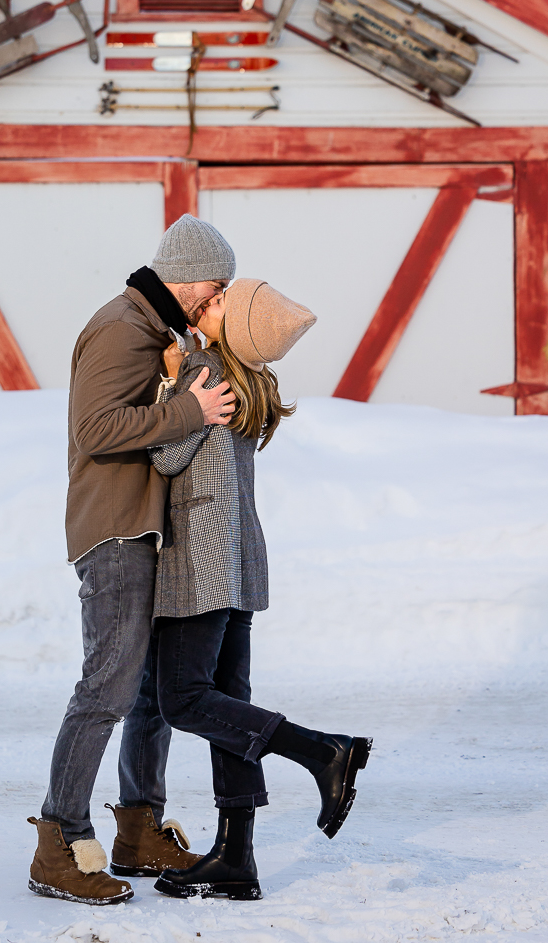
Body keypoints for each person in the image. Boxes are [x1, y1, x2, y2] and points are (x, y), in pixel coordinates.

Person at [27, 215, 239, 906]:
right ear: (185, 277)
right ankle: (58, 844)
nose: (219, 300)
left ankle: (138, 827)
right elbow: (95, 429)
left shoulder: (158, 331)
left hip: (144, 533)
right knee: (107, 690)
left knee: (149, 693)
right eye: (215, 286)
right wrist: (187, 410)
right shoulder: (123, 326)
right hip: (113, 530)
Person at [148, 280, 373, 902]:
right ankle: (236, 856)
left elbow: (167, 457)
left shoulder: (205, 372)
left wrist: (171, 382)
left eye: (220, 304)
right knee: (228, 709)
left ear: (238, 329)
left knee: (184, 700)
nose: (206, 304)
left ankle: (323, 752)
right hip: (240, 563)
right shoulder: (250, 378)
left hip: (201, 562)